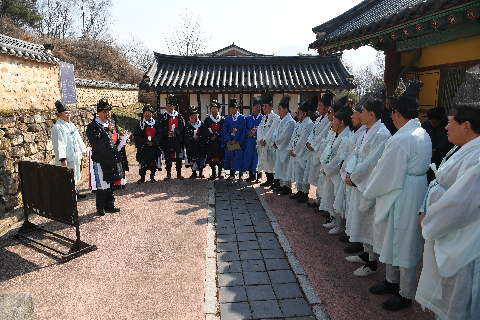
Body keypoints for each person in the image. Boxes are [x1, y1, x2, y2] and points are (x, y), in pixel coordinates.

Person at [416, 63, 480, 320]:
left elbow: (460, 204)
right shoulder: (461, 148)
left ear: (466, 125)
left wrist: (429, 221)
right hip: (448, 229)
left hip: (463, 239)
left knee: (460, 300)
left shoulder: (476, 156)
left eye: (450, 122)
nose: (445, 127)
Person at [363, 78, 432, 311]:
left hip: (401, 191)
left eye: (392, 113)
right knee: (400, 238)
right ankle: (392, 281)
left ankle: (404, 293)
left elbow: (385, 170)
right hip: (415, 188)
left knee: (402, 241)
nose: (391, 117)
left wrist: (369, 191)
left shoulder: (402, 138)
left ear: (399, 114)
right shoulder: (422, 133)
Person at [343, 99, 391, 276]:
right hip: (360, 180)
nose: (359, 115)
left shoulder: (382, 134)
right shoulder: (368, 131)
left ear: (372, 114)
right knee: (362, 219)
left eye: (362, 112)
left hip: (369, 183)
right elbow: (358, 155)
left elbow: (372, 163)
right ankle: (366, 254)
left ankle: (372, 263)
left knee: (370, 222)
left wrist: (354, 177)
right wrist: (349, 173)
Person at [86, 98, 128, 216]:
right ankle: (100, 207)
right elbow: (97, 142)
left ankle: (110, 204)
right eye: (104, 111)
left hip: (112, 157)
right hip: (100, 158)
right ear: (98, 112)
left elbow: (115, 137)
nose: (107, 114)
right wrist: (106, 131)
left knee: (111, 181)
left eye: (108, 111)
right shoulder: (92, 126)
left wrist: (120, 142)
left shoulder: (111, 123)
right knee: (102, 184)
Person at [337, 99, 368, 253]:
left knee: (358, 210)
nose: (354, 118)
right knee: (351, 207)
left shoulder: (367, 133)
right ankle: (352, 235)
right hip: (351, 172)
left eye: (357, 115)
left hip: (359, 176)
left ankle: (358, 242)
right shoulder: (359, 132)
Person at [320, 101, 353, 234]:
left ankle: (340, 225)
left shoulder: (346, 137)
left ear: (342, 123)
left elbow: (339, 157)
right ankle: (334, 219)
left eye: (334, 120)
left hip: (337, 172)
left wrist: (327, 168)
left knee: (340, 199)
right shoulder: (335, 134)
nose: (332, 122)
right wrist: (325, 165)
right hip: (330, 171)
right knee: (331, 196)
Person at [51, 100, 88, 198]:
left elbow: (78, 139)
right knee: (67, 177)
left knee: (75, 174)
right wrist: (62, 158)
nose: (68, 115)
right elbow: (59, 144)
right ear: (60, 114)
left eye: (69, 113)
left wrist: (82, 152)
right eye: (66, 113)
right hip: (67, 157)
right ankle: (68, 196)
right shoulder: (57, 127)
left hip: (75, 155)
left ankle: (75, 192)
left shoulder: (71, 125)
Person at [307, 90, 334, 211]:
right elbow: (313, 132)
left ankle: (322, 201)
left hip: (320, 150)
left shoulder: (329, 121)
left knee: (321, 177)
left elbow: (322, 135)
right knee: (317, 176)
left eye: (320, 106)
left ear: (327, 107)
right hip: (315, 149)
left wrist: (313, 144)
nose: (318, 108)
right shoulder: (318, 119)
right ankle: (318, 199)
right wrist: (309, 142)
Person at [287, 100, 314, 203]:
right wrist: (291, 148)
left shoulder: (309, 124)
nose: (297, 115)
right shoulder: (298, 123)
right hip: (297, 152)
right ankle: (299, 190)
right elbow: (293, 137)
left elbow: (303, 140)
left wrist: (296, 151)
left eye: (298, 113)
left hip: (303, 153)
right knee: (298, 172)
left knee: (304, 173)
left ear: (304, 113)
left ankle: (305, 193)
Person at [421, 107, 453, 182]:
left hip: (443, 157)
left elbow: (448, 142)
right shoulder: (425, 125)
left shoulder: (448, 126)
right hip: (429, 157)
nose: (433, 124)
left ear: (441, 119)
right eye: (431, 122)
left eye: (436, 122)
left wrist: (436, 150)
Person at [272, 95, 296, 195]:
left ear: (286, 110)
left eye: (280, 109)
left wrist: (277, 143)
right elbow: (275, 133)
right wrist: (274, 141)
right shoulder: (280, 120)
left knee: (286, 168)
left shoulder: (290, 122)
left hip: (285, 148)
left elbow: (285, 136)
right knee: (280, 167)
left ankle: (287, 187)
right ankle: (281, 185)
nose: (279, 111)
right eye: (278, 109)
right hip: (279, 147)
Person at [133, 104, 163, 183]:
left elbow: (160, 134)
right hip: (144, 147)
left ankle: (152, 176)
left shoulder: (156, 123)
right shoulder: (140, 124)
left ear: (152, 114)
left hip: (153, 147)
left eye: (149, 112)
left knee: (153, 162)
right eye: (145, 112)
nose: (147, 114)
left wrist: (153, 142)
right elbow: (136, 134)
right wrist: (145, 141)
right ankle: (142, 177)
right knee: (143, 162)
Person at [257, 92, 280, 188]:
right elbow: (259, 129)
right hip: (263, 144)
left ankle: (274, 181)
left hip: (270, 144)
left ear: (271, 107)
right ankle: (268, 180)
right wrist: (260, 139)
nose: (264, 108)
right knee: (265, 163)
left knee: (271, 163)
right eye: (263, 106)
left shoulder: (276, 118)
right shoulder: (264, 118)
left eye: (266, 106)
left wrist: (265, 139)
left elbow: (272, 130)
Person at [160, 94, 185, 180]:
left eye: (171, 106)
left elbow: (182, 125)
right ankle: (168, 174)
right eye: (167, 106)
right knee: (168, 157)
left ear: (174, 107)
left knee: (178, 157)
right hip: (167, 139)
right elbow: (160, 127)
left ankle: (179, 174)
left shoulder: (178, 115)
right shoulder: (163, 116)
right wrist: (167, 132)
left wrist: (176, 132)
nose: (169, 108)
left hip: (176, 139)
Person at [221, 98, 246, 180]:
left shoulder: (242, 118)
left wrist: (236, 139)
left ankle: (240, 175)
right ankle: (232, 174)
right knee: (230, 157)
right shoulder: (227, 119)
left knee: (239, 157)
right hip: (230, 142)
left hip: (238, 141)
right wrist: (228, 139)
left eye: (233, 108)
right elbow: (224, 130)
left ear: (237, 108)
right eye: (230, 108)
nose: (231, 110)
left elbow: (242, 130)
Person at [184, 106, 207, 179]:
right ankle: (193, 172)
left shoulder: (202, 124)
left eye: (195, 115)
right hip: (192, 144)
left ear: (198, 115)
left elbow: (205, 134)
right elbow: (185, 134)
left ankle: (201, 172)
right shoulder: (188, 125)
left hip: (200, 144)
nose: (194, 117)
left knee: (200, 158)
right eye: (192, 115)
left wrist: (199, 138)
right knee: (192, 157)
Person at [203, 100, 224, 180]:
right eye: (212, 108)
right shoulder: (208, 120)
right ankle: (213, 173)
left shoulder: (222, 119)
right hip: (211, 141)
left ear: (218, 109)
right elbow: (205, 129)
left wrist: (217, 134)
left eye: (215, 108)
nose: (213, 110)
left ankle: (220, 172)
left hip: (219, 141)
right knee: (212, 157)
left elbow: (223, 129)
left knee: (220, 156)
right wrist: (211, 135)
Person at [244, 96, 263, 182]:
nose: (258, 109)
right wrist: (249, 132)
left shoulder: (262, 118)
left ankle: (259, 176)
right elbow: (246, 128)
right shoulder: (248, 118)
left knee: (258, 158)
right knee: (250, 157)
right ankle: (251, 175)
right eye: (256, 107)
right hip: (250, 141)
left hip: (258, 141)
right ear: (252, 108)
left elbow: (264, 130)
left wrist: (255, 133)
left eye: (259, 107)